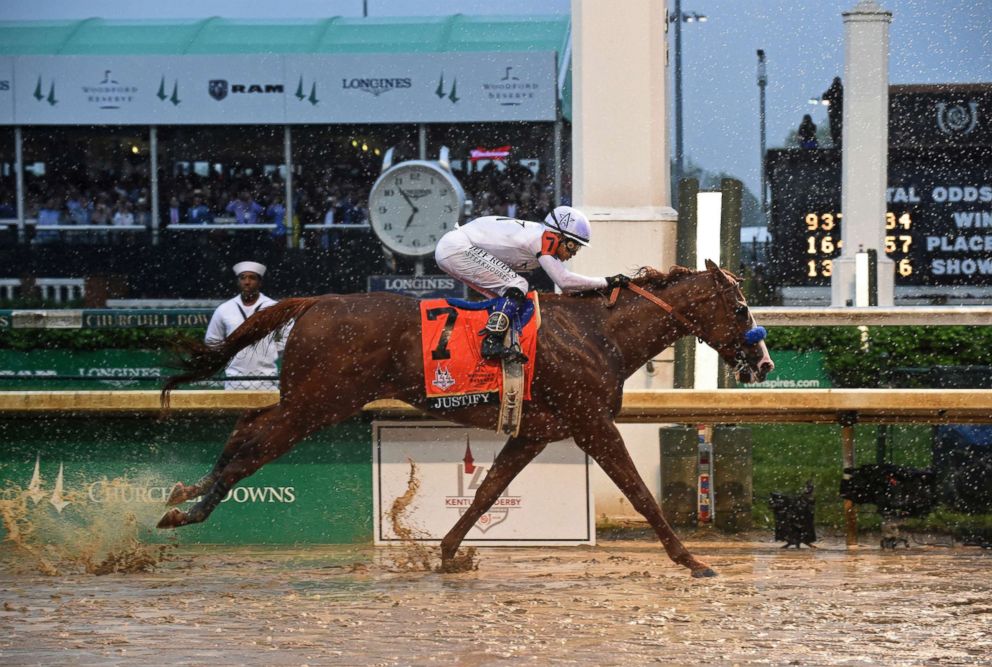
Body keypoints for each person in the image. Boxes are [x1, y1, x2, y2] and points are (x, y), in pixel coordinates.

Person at [434, 205, 629, 362]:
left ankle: (491, 340)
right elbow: (565, 282)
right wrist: (607, 282)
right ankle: (491, 342)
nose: (575, 252)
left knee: (506, 298)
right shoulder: (543, 239)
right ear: (559, 236)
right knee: (518, 284)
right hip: (457, 247)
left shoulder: (542, 234)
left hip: (454, 246)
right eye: (573, 245)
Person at [204, 261, 288, 390]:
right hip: (234, 380)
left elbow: (287, 338)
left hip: (267, 380)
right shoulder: (224, 309)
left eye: (252, 278)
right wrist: (228, 352)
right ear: (238, 282)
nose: (247, 282)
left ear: (260, 282)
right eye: (243, 278)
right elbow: (212, 341)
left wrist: (270, 350)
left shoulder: (274, 308)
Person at [822, 76, 843, 147]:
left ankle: (836, 142)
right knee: (840, 127)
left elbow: (824, 97)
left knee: (834, 127)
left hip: (833, 111)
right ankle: (839, 142)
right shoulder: (842, 89)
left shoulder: (831, 90)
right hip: (840, 111)